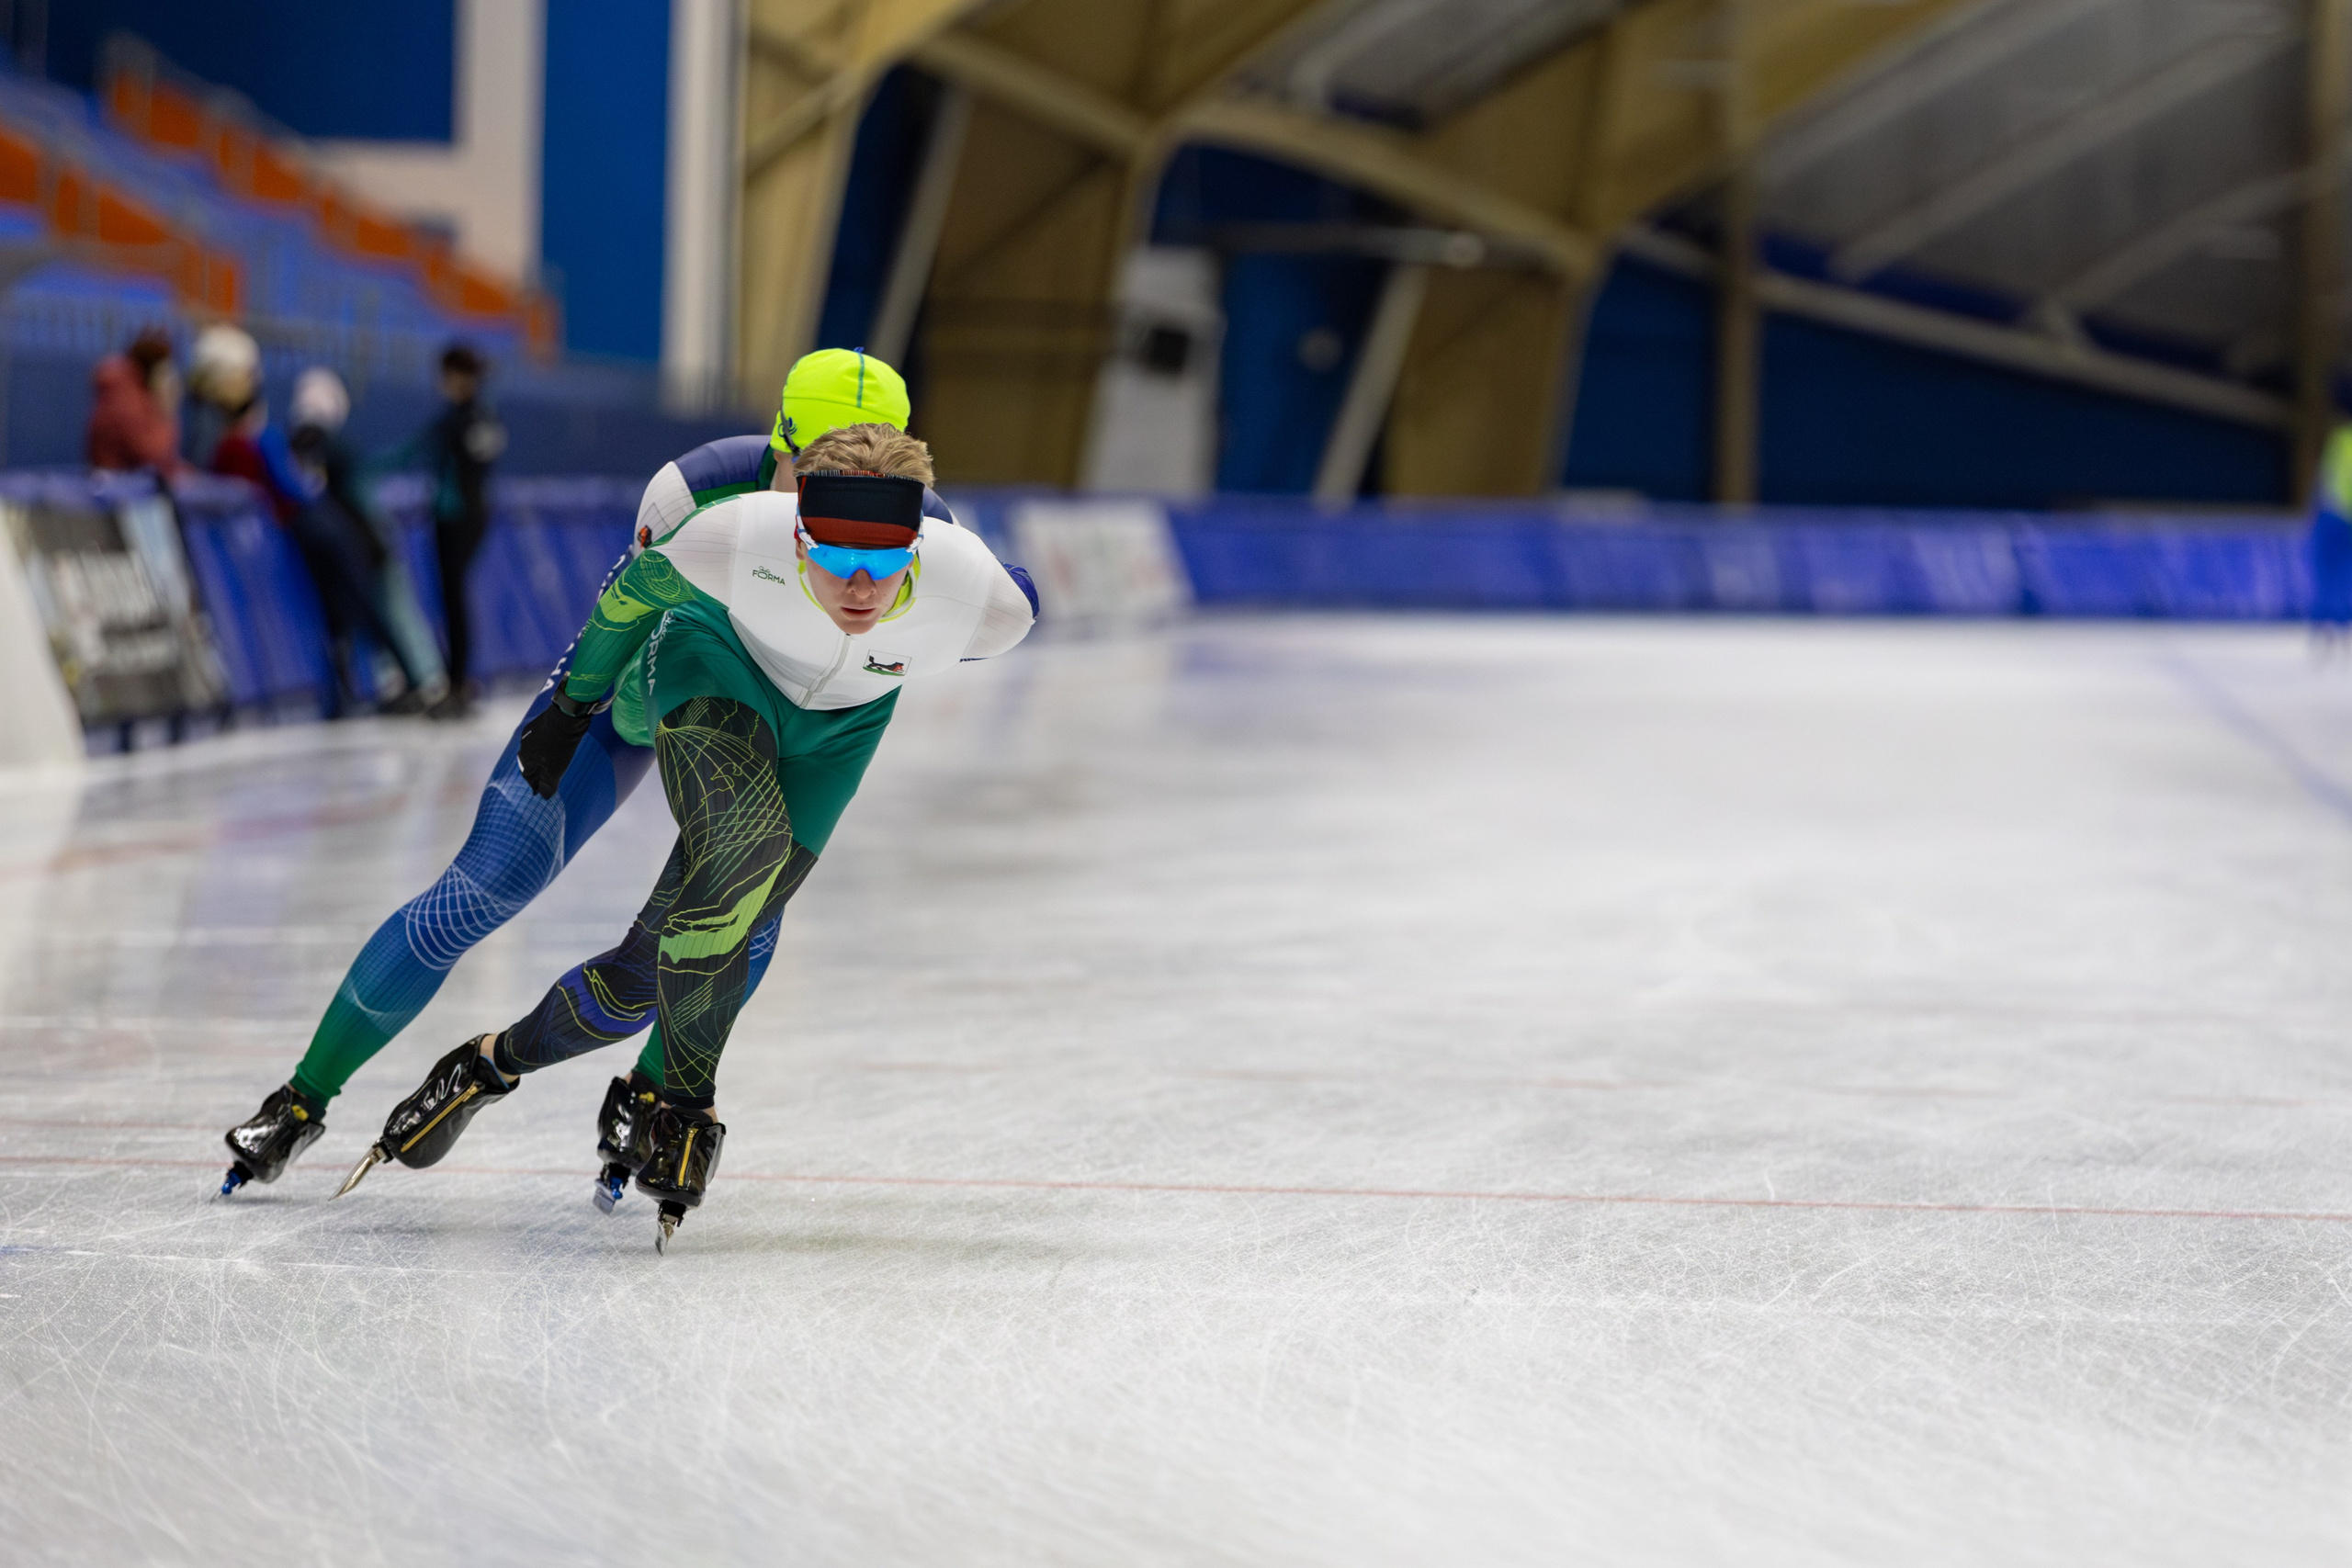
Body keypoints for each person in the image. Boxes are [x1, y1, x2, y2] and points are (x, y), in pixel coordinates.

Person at [215, 351, 997, 1195]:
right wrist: (570, 710)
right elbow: (628, 609)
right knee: (480, 891)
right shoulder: (691, 495)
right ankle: (302, 1096)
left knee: (747, 913)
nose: (837, 520)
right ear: (780, 448)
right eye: (810, 479)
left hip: (790, 717)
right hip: (641, 692)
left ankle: (651, 1089)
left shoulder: (925, 537)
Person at [288, 367, 447, 711]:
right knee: (390, 616)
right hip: (363, 546)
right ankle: (419, 681)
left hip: (364, 547)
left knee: (391, 615)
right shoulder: (334, 449)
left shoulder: (321, 451)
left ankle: (421, 682)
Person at [401, 344, 505, 719]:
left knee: (454, 596)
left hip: (462, 518)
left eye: (446, 375)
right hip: (455, 516)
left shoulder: (470, 418)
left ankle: (458, 683)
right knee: (450, 597)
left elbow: (466, 465)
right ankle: (455, 680)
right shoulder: (468, 417)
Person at [85, 328, 184, 475]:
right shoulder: (125, 400)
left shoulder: (125, 391)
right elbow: (153, 455)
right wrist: (167, 412)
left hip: (124, 484)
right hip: (121, 490)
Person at [2312, 423, 2352, 655]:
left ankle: (2327, 626)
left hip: (2332, 515)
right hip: (2340, 518)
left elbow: (2325, 478)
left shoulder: (2340, 439)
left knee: (2329, 573)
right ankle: (2335, 625)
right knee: (2339, 574)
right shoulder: (2342, 439)